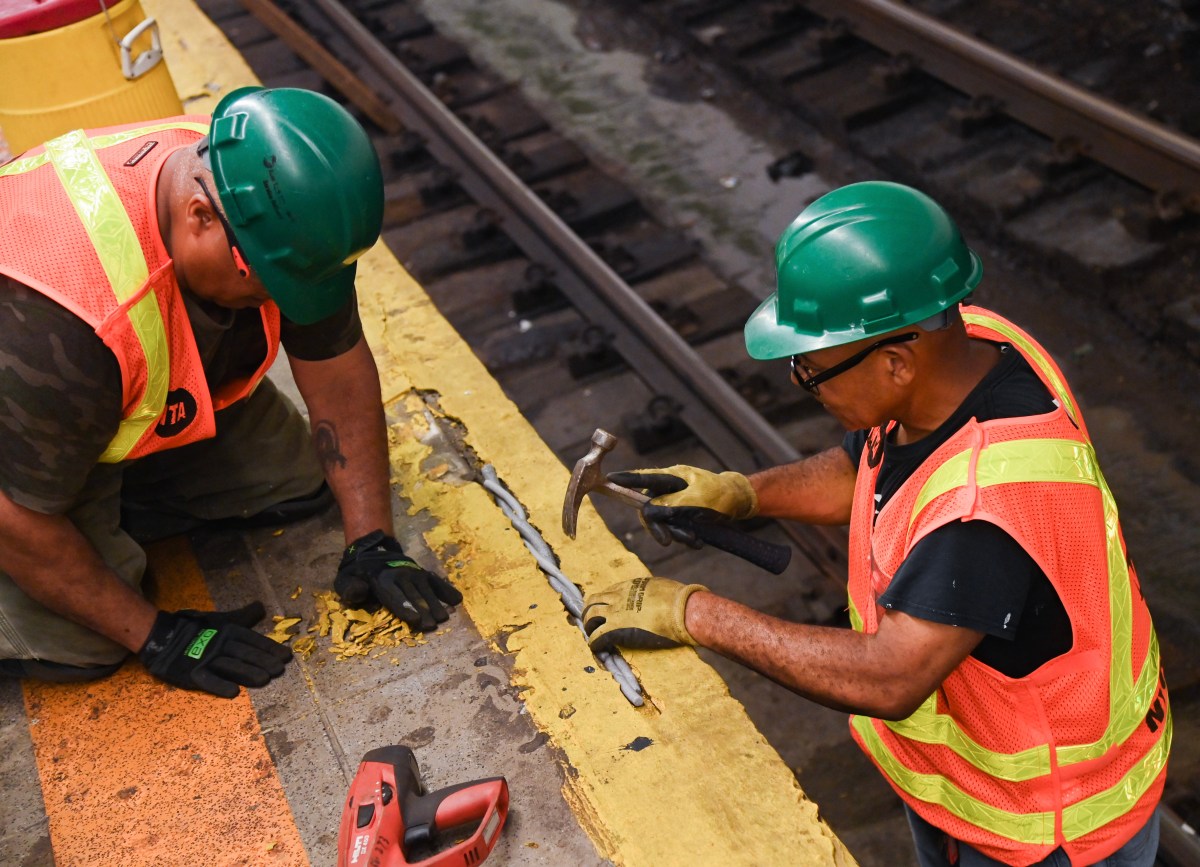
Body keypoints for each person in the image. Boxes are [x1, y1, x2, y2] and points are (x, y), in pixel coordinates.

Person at [582, 181, 1170, 866]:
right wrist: (740, 493)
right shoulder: (976, 344)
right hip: (1001, 795)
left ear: (896, 362)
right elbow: (869, 464)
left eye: (810, 368)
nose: (803, 378)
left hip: (1043, 832)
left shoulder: (982, 511)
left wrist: (695, 613)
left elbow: (890, 676)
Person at [0, 87, 461, 699]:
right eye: (266, 284)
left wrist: (373, 541)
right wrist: (155, 635)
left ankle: (98, 499)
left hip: (79, 403)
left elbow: (336, 364)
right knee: (86, 642)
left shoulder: (270, 199)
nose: (276, 301)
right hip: (29, 422)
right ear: (199, 217)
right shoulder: (63, 323)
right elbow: (15, 518)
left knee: (293, 478)